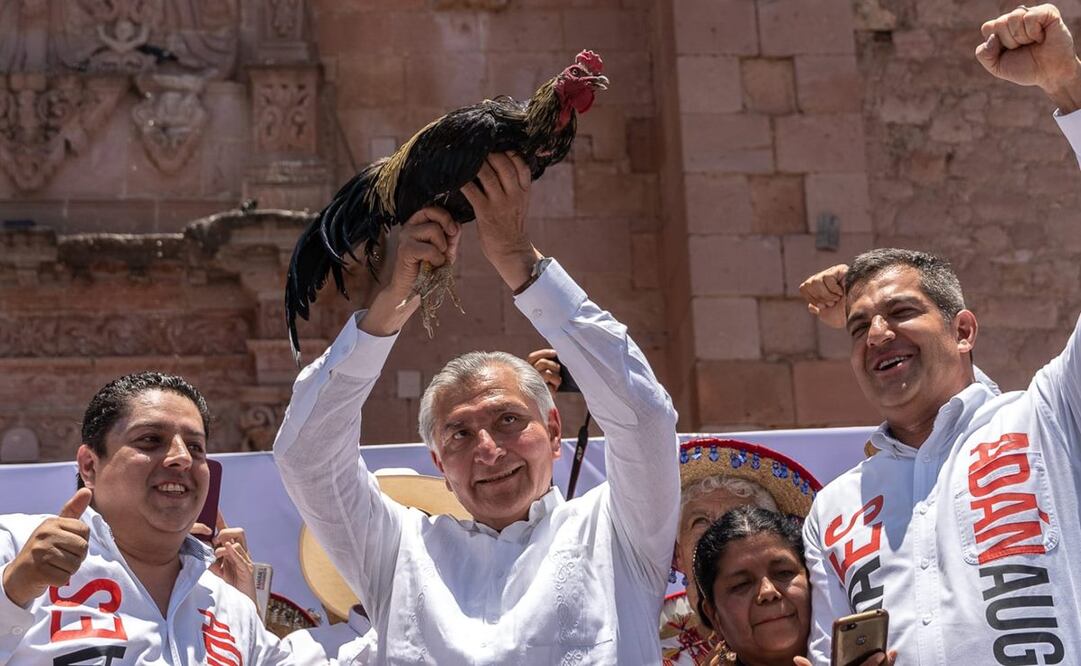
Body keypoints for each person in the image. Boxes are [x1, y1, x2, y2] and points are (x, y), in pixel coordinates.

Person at [273, 151, 680, 663]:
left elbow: (644, 419)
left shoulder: (618, 532)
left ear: (554, 431)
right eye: (459, 435)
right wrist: (386, 311)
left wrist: (521, 263)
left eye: (508, 420)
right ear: (440, 464)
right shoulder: (400, 552)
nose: (488, 450)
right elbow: (307, 456)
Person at [797, 9, 1081, 660]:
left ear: (962, 330)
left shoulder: (1046, 419)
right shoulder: (833, 511)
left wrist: (1067, 89)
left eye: (899, 312)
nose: (876, 335)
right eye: (859, 325)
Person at [0, 372, 292, 664]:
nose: (182, 457)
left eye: (195, 447)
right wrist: (13, 590)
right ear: (89, 466)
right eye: (151, 440)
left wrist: (249, 613)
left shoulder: (232, 607)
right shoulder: (15, 546)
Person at [281, 472, 470, 664]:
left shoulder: (470, 643)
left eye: (420, 534)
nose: (405, 547)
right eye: (379, 533)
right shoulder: (303, 650)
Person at [662, 439, 822, 665]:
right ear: (677, 554)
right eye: (700, 521)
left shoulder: (832, 622)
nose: (717, 534)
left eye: (734, 519)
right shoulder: (650, 640)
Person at [692, 506, 896, 666]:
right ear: (713, 615)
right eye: (741, 584)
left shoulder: (887, 651)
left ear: (812, 579)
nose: (768, 592)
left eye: (784, 573)